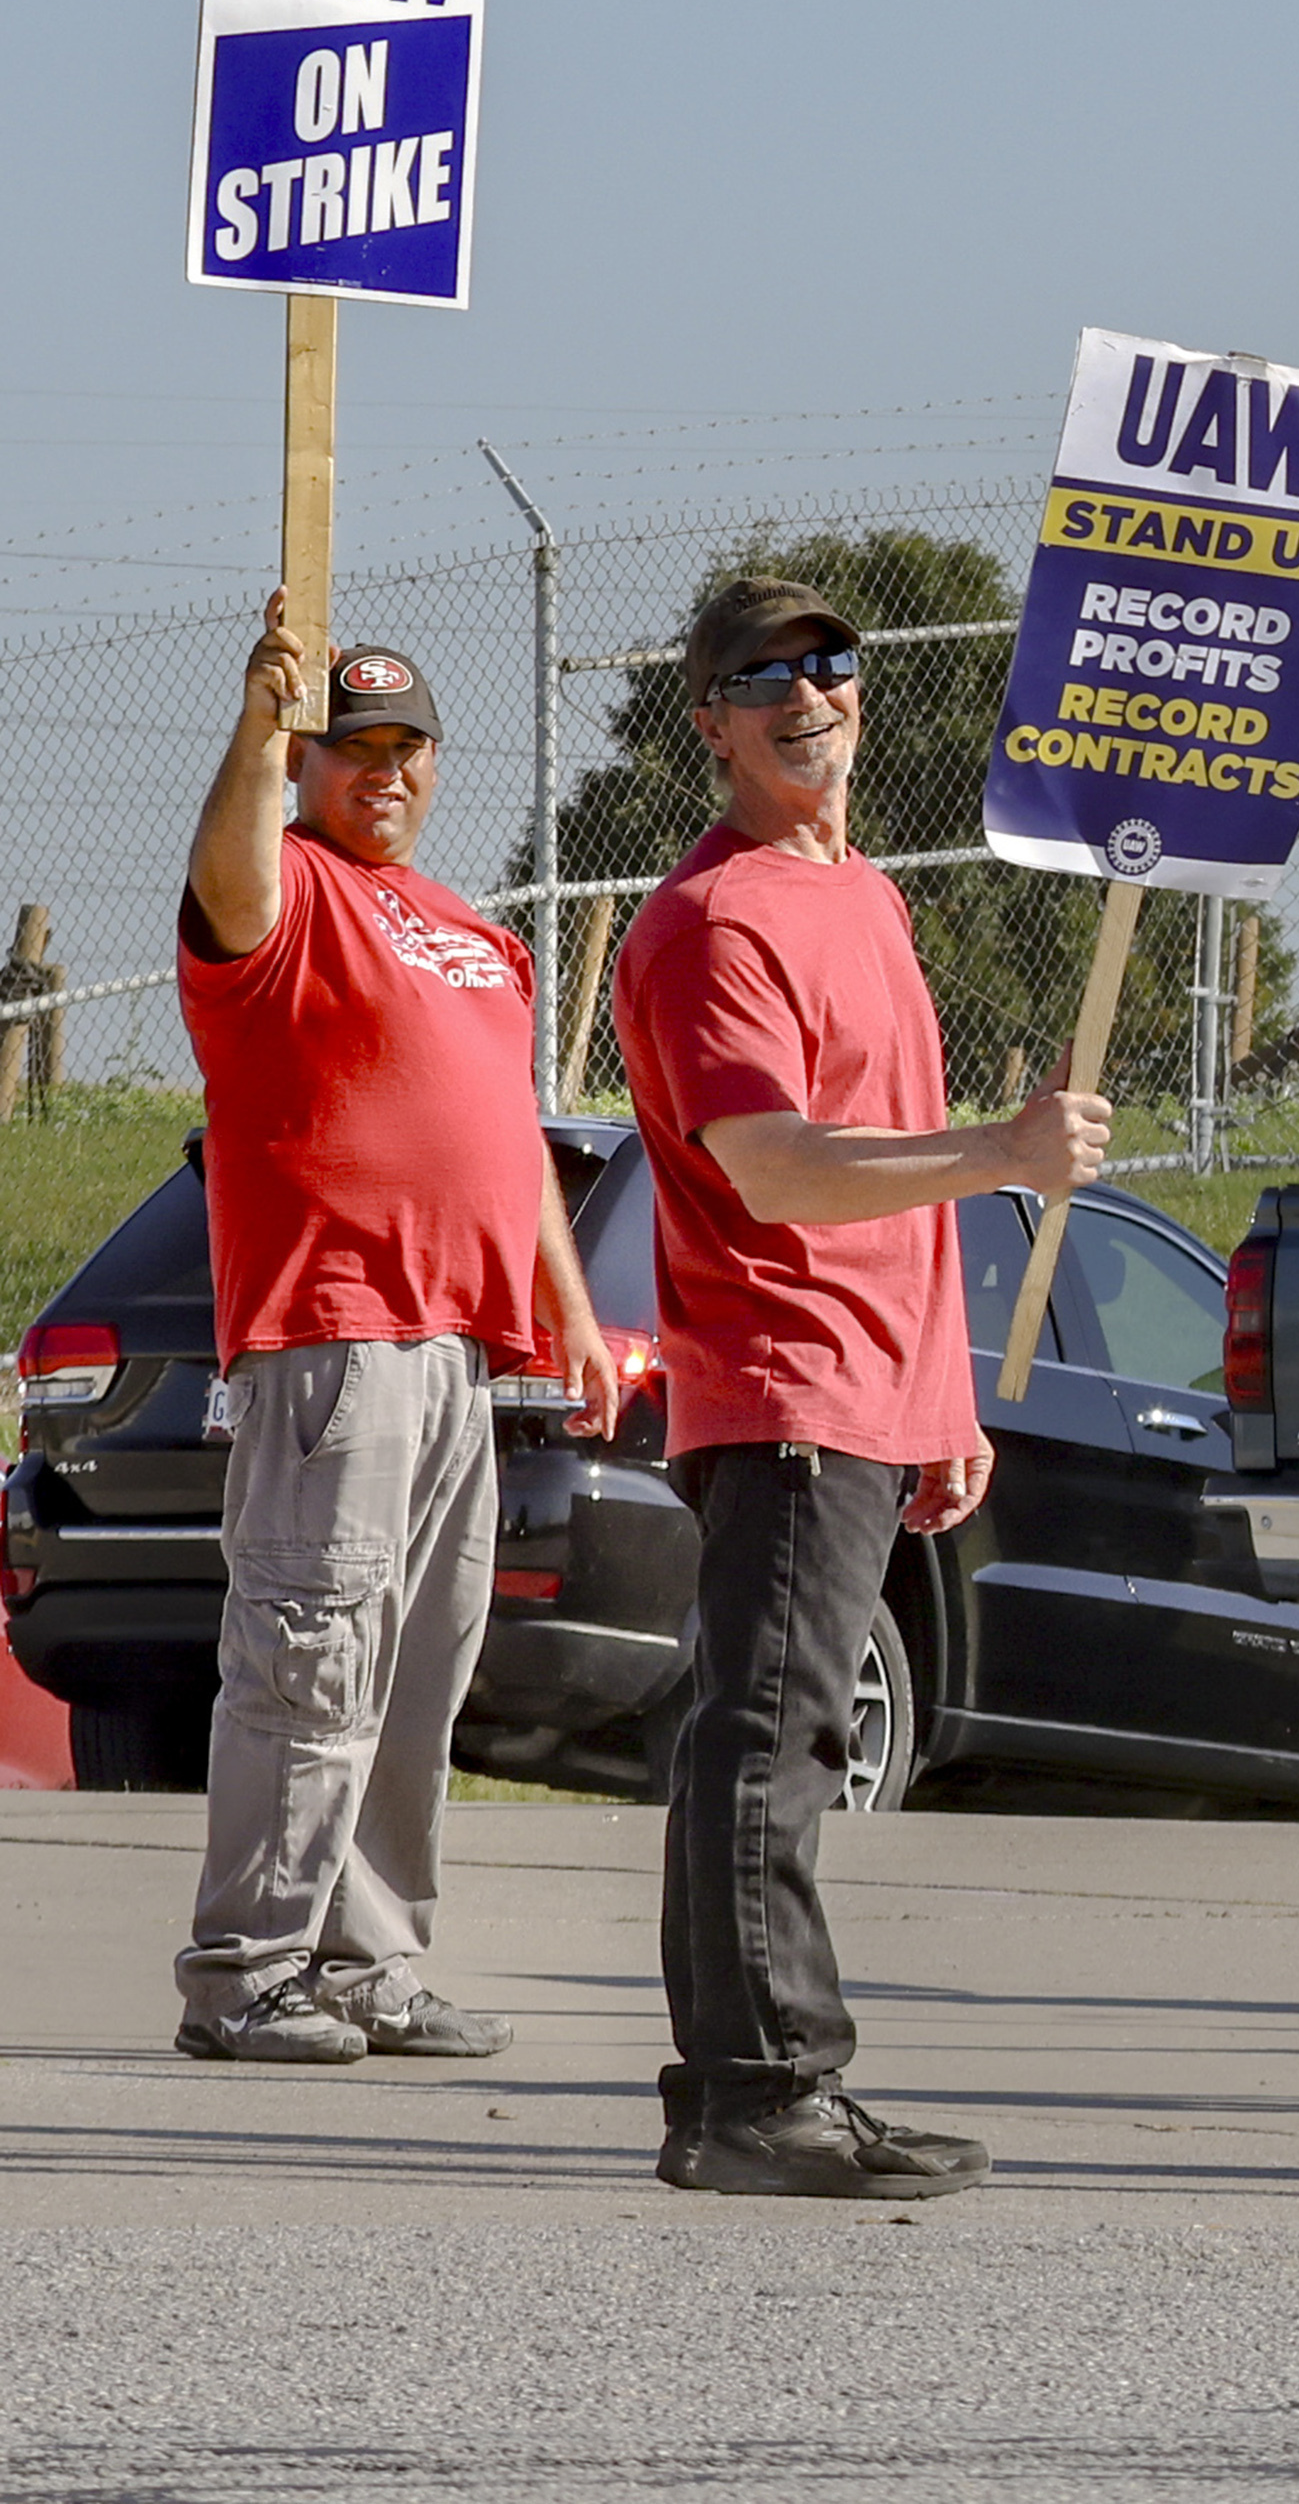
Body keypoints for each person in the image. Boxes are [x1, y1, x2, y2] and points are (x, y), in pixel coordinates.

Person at [613, 575, 1096, 2200]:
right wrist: (1008, 1153)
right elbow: (775, 1170)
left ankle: (756, 2085)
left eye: (831, 667)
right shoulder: (711, 924)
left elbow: (892, 1167)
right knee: (768, 1739)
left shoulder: (867, 897)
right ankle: (760, 2095)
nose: (807, 697)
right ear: (713, 722)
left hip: (875, 1395)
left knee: (783, 1733)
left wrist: (943, 1393)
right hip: (783, 1379)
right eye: (766, 679)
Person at [166, 599, 618, 2069]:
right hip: (335, 1335)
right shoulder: (281, 889)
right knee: (310, 1656)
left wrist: (571, 1305)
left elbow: (508, 1139)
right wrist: (253, 721)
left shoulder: (480, 935)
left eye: (409, 746)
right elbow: (222, 877)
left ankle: (368, 1959)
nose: (387, 771)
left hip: (458, 1351)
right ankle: (247, 1968)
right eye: (354, 747)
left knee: (420, 1667)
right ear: (309, 764)